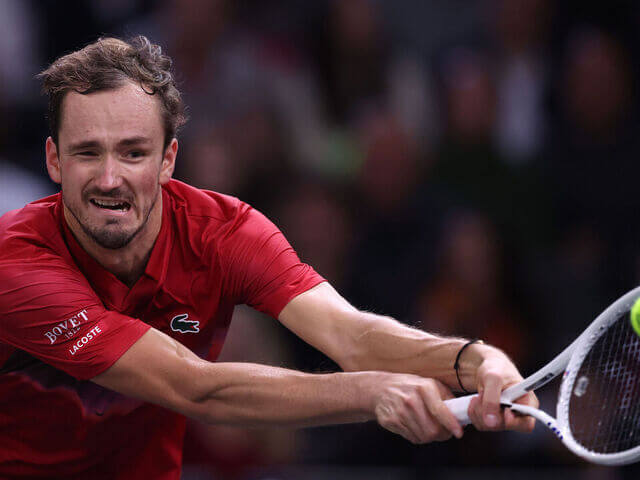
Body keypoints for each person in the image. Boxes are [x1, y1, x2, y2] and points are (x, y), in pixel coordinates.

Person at [0, 36, 537, 479]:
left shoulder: (225, 232)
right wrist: (372, 391)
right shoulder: (16, 264)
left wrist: (472, 360)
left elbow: (350, 334)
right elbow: (195, 388)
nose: (110, 178)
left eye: (133, 152)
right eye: (87, 152)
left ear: (167, 161)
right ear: (54, 160)